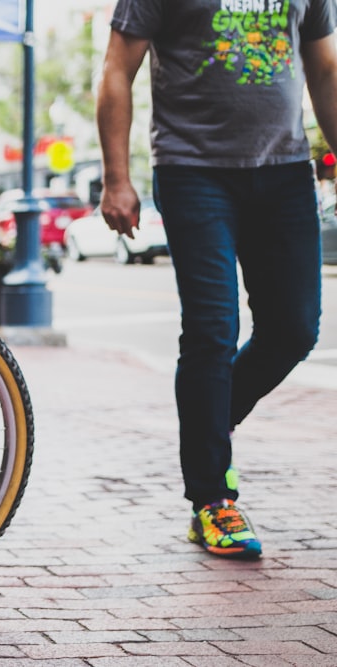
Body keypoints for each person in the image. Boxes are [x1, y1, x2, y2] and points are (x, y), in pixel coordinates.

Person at [96, 0, 337, 559]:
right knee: (211, 329)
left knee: (294, 330)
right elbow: (115, 70)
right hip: (192, 171)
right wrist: (116, 178)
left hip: (284, 172)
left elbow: (323, 67)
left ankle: (205, 426)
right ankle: (212, 499)